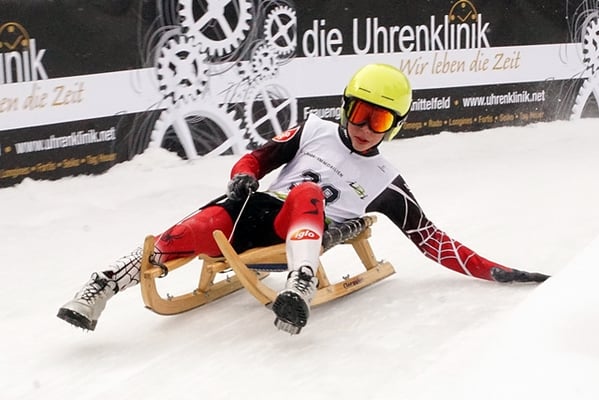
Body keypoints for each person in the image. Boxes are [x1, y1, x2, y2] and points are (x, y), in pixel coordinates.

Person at [57, 63, 549, 334]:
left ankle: (301, 284)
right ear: (345, 106)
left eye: (378, 119)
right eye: (358, 112)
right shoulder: (313, 129)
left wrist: (497, 271)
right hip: (255, 211)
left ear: (394, 126)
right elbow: (257, 158)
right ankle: (102, 286)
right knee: (187, 231)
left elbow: (434, 241)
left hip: (297, 229)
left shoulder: (386, 181)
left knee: (308, 191)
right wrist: (242, 178)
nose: (363, 126)